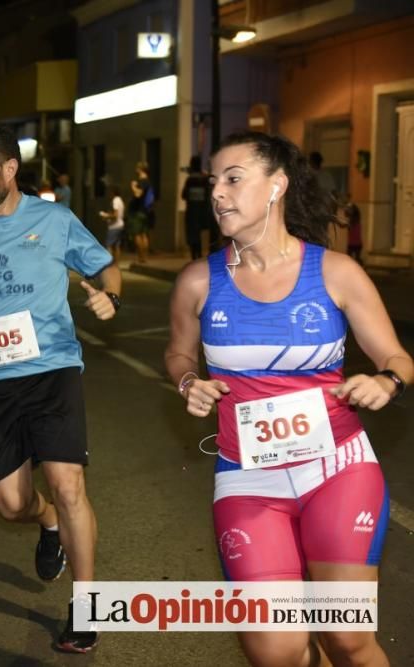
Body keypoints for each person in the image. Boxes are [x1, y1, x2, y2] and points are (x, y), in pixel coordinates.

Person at [165, 131, 411, 667]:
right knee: (276, 651)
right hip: (247, 477)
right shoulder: (196, 282)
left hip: (338, 469)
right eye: (214, 182)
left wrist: (385, 382)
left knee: (345, 638)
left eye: (234, 179)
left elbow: (398, 358)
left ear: (276, 185)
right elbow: (178, 356)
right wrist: (189, 383)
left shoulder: (336, 272)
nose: (218, 194)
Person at [0, 124, 122, 655]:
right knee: (12, 505)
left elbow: (106, 269)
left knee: (69, 484)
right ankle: (47, 522)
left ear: (10, 169)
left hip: (53, 368)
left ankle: (87, 607)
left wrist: (110, 299)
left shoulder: (53, 219)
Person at [181, 155, 212, 260]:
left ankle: (194, 256)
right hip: (202, 211)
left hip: (191, 211)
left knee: (192, 235)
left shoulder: (190, 180)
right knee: (198, 235)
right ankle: (199, 255)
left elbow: (184, 195)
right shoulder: (204, 179)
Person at [127, 161, 153, 263]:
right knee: (144, 234)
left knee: (137, 234)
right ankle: (144, 257)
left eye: (137, 167)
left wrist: (133, 186)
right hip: (145, 212)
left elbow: (138, 194)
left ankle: (141, 257)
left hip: (138, 212)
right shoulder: (148, 181)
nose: (135, 169)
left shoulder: (142, 181)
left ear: (140, 169)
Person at [99, 185, 125, 262]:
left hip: (114, 226)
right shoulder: (120, 200)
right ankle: (116, 262)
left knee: (108, 245)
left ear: (112, 192)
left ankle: (109, 263)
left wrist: (106, 216)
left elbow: (115, 215)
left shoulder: (115, 201)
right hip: (120, 225)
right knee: (117, 245)